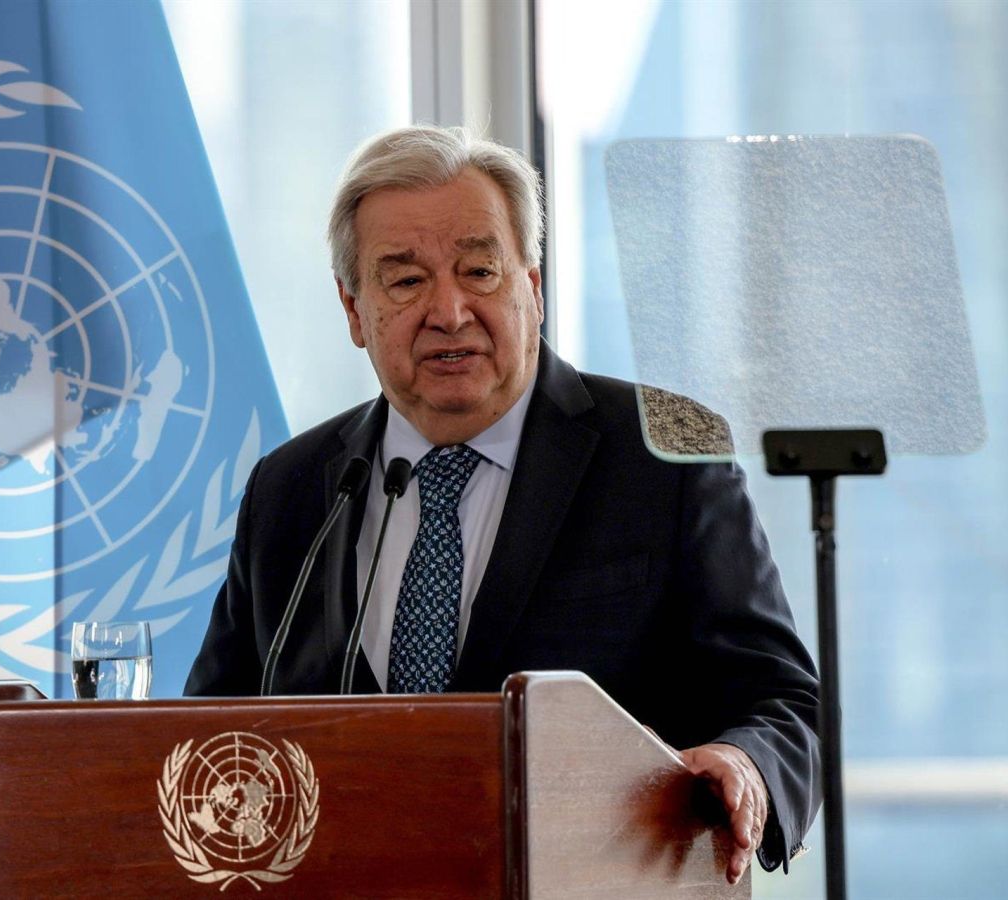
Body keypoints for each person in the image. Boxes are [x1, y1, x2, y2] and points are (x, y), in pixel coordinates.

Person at [185, 125, 821, 883]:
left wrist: (745, 764)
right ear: (354, 310)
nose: (449, 311)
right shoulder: (290, 490)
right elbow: (204, 744)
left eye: (479, 271)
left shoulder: (665, 450)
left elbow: (785, 703)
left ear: (533, 287)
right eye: (405, 280)